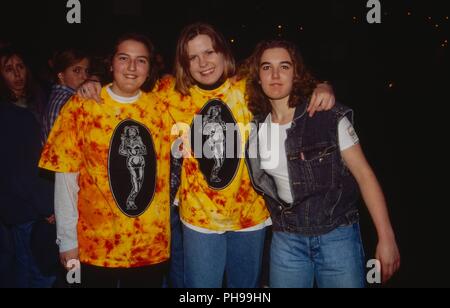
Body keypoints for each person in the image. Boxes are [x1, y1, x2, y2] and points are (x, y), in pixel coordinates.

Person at [78, 22, 335, 288]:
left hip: (250, 216)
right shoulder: (170, 92)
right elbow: (128, 84)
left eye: (209, 52)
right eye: (193, 57)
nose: (203, 63)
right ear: (184, 64)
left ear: (224, 53)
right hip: (199, 219)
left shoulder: (248, 86)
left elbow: (288, 79)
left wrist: (323, 86)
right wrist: (94, 81)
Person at [245, 39, 401, 288]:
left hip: (336, 237)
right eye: (266, 67)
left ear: (296, 73)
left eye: (284, 66)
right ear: (258, 76)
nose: (275, 75)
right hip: (287, 241)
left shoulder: (327, 116)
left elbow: (364, 174)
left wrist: (386, 237)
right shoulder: (254, 128)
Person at [39, 33, 172, 288]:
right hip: (96, 246)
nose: (132, 67)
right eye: (124, 58)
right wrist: (67, 241)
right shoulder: (82, 106)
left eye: (141, 60)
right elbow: (66, 178)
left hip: (149, 245)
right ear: (111, 64)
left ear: (149, 67)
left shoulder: (162, 106)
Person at [0, 47, 57, 288]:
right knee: (39, 273)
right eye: (9, 69)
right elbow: (17, 171)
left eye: (20, 67)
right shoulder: (7, 113)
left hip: (31, 203)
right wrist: (45, 208)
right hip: (25, 207)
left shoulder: (36, 102)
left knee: (26, 268)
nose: (17, 74)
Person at [42, 49, 90, 142]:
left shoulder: (58, 96)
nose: (85, 76)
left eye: (86, 71)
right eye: (77, 70)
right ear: (61, 75)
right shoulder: (67, 101)